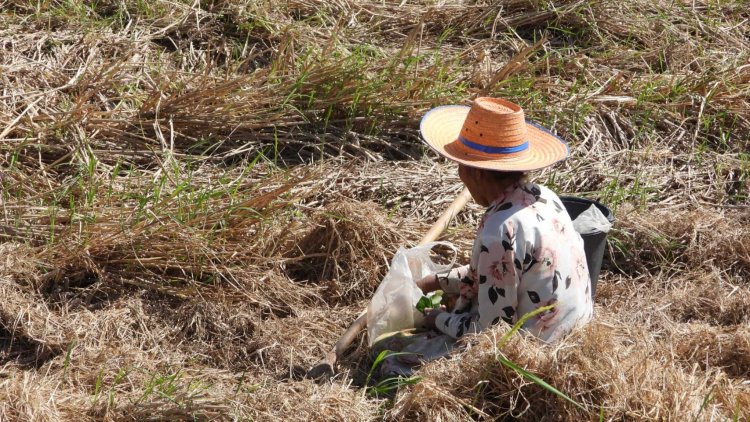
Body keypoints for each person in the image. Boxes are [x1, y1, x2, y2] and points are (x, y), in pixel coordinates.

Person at [415, 97, 593, 343]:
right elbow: (500, 271)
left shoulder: (500, 229)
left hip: (536, 351)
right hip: (572, 335)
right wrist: (436, 281)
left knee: (395, 357)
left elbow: (492, 333)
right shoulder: (544, 196)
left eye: (460, 165)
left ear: (474, 172)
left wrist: (437, 319)